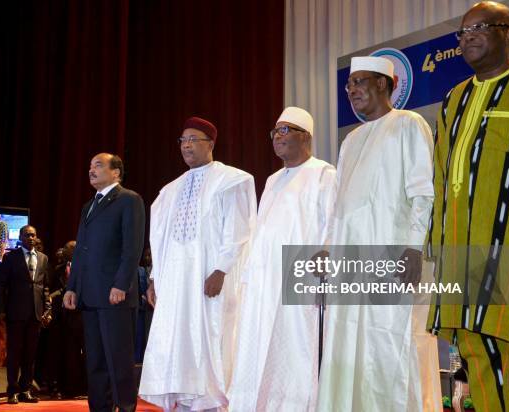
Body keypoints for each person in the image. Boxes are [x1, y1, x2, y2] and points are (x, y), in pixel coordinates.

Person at [426, 2, 509, 410]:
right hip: (463, 255)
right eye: (463, 31)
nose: (467, 36)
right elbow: (440, 177)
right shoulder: (454, 99)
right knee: (478, 355)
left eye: (479, 27)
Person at [315, 56, 435, 411]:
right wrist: (326, 248)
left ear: (384, 83)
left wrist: (414, 247)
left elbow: (422, 191)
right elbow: (338, 205)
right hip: (349, 260)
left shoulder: (409, 124)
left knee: (388, 342)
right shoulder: (350, 140)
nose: (351, 90)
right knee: (345, 340)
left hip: (392, 256)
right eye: (348, 85)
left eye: (359, 82)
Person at [139, 117, 257, 411]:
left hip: (211, 278)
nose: (187, 145)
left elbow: (240, 229)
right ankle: (183, 399)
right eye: (183, 140)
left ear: (211, 144)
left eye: (194, 139)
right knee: (176, 336)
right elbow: (159, 238)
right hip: (176, 281)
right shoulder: (169, 191)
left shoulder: (233, 179)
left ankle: (214, 402)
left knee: (213, 335)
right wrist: (155, 278)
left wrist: (221, 269)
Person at [228, 107, 337, 411]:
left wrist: (322, 277)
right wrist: (249, 275)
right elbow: (260, 230)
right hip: (264, 281)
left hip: (301, 278)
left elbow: (332, 227)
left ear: (306, 137)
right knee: (260, 346)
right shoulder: (273, 179)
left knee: (298, 351)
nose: (278, 136)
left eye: (286, 130)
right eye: (275, 131)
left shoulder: (324, 174)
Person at [63, 153, 145, 412]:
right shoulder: (89, 206)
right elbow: (80, 251)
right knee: (95, 361)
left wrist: (121, 284)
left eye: (98, 165)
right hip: (89, 294)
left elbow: (133, 247)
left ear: (116, 173)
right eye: (89, 166)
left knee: (119, 360)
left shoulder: (129, 200)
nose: (91, 170)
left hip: (115, 295)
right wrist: (72, 287)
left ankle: (126, 407)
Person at [0, 225, 50, 404]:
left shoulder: (43, 258)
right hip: (16, 313)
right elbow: (1, 285)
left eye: (33, 235)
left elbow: (45, 287)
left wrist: (47, 309)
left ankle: (25, 390)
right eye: (27, 235)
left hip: (35, 313)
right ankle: (12, 391)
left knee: (30, 354)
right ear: (20, 237)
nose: (31, 238)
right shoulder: (11, 257)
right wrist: (2, 310)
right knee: (14, 354)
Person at [46, 240, 86, 399]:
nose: (64, 251)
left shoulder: (86, 268)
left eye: (69, 249)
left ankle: (84, 388)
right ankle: (68, 388)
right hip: (62, 319)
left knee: (84, 354)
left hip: (82, 316)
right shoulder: (58, 270)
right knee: (66, 354)